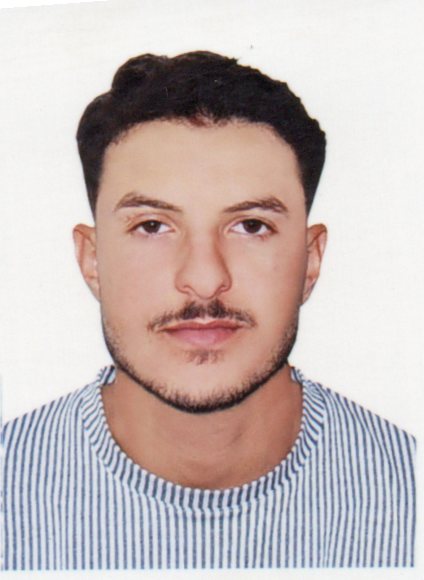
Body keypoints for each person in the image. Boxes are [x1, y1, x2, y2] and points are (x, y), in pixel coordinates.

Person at [2, 51, 415, 570]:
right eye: (152, 226)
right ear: (92, 260)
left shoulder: (410, 490)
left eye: (251, 226)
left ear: (310, 261)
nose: (203, 278)